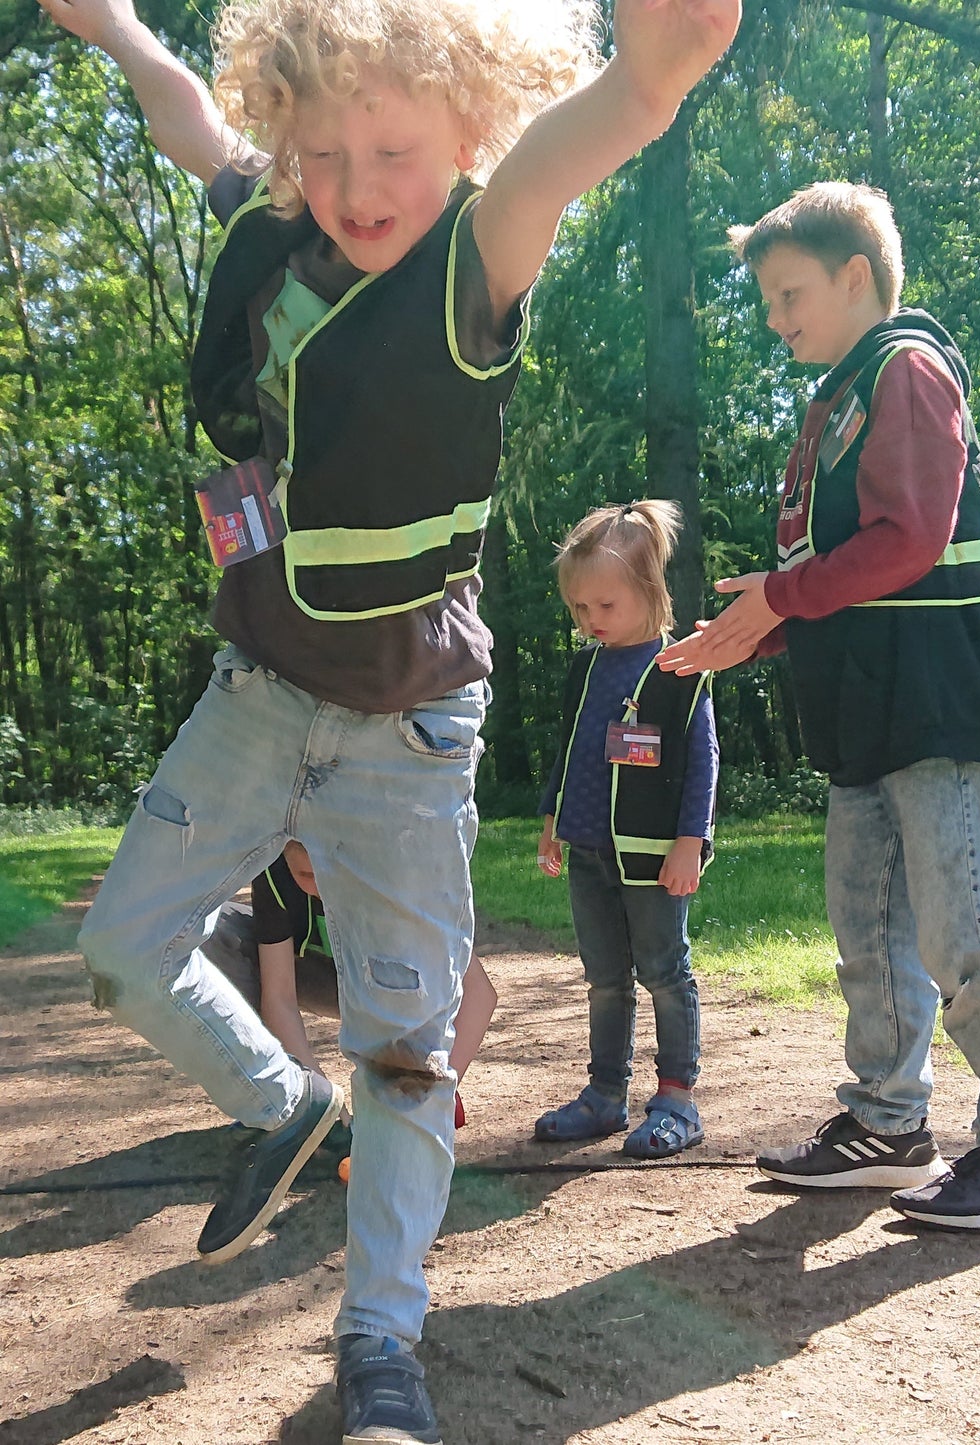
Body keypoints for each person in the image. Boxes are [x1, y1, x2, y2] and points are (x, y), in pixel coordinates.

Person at [44, 0, 740, 1437]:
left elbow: (577, 146)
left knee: (409, 1047)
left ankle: (379, 1344)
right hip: (258, 693)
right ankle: (279, 1105)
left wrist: (659, 67)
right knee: (120, 945)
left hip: (411, 725)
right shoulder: (284, 224)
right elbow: (191, 117)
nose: (359, 188)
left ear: (464, 132)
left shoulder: (475, 259)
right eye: (327, 152)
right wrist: (115, 27)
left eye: (397, 153)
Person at [658, 182, 980, 1231]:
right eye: (767, 301)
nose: (774, 320)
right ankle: (885, 1122)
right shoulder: (833, 397)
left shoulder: (906, 368)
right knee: (871, 924)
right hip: (864, 708)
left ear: (855, 275)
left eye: (787, 293)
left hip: (939, 695)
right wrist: (750, 629)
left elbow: (907, 538)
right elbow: (827, 569)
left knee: (970, 924)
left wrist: (780, 596)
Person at [534, 501, 718, 1158]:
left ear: (648, 590)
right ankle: (603, 1095)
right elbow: (570, 745)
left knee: (665, 971)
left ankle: (676, 1099)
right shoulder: (585, 667)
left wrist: (690, 841)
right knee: (604, 976)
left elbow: (701, 760)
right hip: (586, 848)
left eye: (604, 606)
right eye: (579, 609)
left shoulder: (678, 668)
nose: (589, 620)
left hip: (652, 855)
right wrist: (553, 815)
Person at [205, 840, 498, 1134]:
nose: (322, 888)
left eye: (331, 872)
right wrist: (324, 1108)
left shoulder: (397, 871)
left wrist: (437, 1093)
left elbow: (480, 994)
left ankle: (409, 1090)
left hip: (393, 986)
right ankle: (281, 1099)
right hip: (319, 979)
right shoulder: (274, 869)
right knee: (210, 932)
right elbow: (278, 995)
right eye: (306, 875)